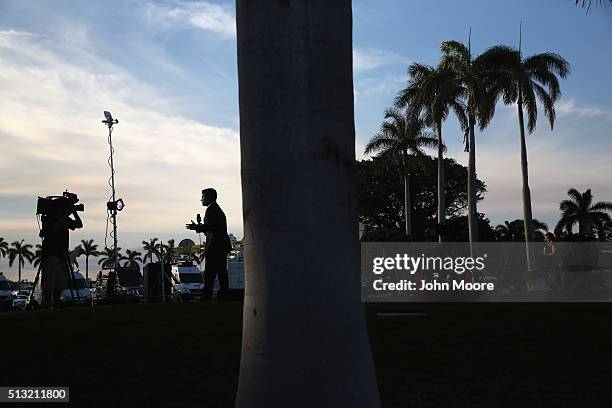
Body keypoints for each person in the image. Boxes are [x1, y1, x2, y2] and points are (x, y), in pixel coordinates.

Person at [186, 188, 232, 300]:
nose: (201, 199)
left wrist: (196, 227)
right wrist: (200, 226)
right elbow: (211, 229)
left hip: (215, 246)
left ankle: (207, 296)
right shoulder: (216, 209)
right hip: (220, 245)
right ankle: (223, 296)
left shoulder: (211, 210)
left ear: (210, 197)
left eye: (203, 197)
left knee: (210, 274)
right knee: (221, 272)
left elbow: (209, 228)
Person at [40, 206, 83, 307]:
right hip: (50, 254)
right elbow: (54, 228)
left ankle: (55, 303)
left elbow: (79, 224)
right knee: (49, 283)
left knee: (59, 283)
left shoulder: (65, 219)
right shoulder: (49, 218)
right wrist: (67, 213)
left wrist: (74, 212)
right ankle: (47, 304)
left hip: (62, 255)